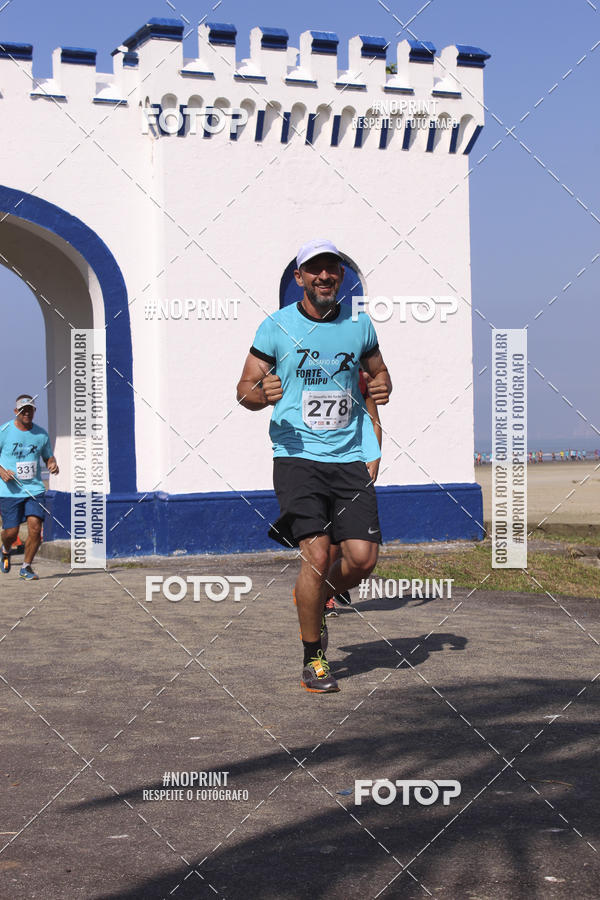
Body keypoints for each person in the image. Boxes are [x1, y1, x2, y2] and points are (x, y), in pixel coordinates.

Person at [236, 238, 392, 693]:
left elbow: (377, 373)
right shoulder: (276, 327)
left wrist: (383, 388)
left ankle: (316, 592)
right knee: (318, 555)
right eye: (315, 270)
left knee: (362, 559)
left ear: (341, 276)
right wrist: (258, 395)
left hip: (349, 456)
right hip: (296, 455)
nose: (324, 276)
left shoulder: (359, 326)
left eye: (332, 269)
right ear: (300, 277)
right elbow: (244, 388)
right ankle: (314, 659)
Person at [324, 368, 382, 616]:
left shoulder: (359, 377)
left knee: (352, 543)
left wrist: (374, 456)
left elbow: (374, 419)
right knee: (326, 540)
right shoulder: (309, 374)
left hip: (351, 468)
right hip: (313, 468)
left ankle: (331, 586)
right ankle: (324, 595)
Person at [0, 395, 59, 580]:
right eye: (23, 410)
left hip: (34, 489)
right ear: (16, 411)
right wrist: (1, 471)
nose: (26, 413)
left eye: (30, 410)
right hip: (9, 491)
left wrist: (52, 464)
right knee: (11, 533)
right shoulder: (4, 431)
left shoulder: (41, 434)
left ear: (34, 411)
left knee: (35, 528)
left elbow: (48, 456)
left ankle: (26, 567)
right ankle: (5, 548)